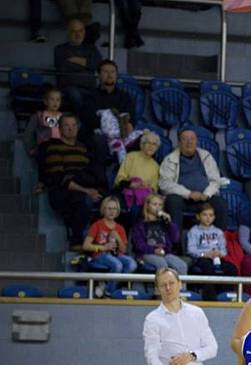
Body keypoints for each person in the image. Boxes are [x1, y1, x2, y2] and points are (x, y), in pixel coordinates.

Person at [38, 113, 104, 247]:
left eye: (74, 125)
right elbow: (59, 178)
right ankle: (77, 239)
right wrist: (87, 191)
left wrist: (94, 190)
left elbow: (91, 173)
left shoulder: (83, 148)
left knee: (111, 200)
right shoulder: (54, 147)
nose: (71, 128)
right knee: (85, 200)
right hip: (62, 191)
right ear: (60, 128)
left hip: (84, 187)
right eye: (66, 125)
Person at [159, 128, 228, 230]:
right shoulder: (169, 159)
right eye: (185, 139)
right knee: (172, 201)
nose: (189, 142)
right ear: (179, 142)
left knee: (221, 203)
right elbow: (165, 183)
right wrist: (188, 194)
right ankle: (176, 243)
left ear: (197, 141)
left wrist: (206, 194)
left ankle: (220, 240)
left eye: (192, 139)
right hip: (182, 198)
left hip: (205, 198)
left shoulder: (206, 156)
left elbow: (216, 180)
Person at [82, 196, 137, 296]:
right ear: (103, 209)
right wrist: (103, 247)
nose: (112, 211)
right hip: (100, 254)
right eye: (109, 208)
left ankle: (107, 285)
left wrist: (118, 237)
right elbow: (85, 246)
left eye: (115, 209)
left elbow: (123, 250)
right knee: (117, 265)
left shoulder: (120, 228)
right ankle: (110, 292)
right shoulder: (97, 225)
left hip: (116, 255)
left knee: (132, 264)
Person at [187, 202, 238, 299]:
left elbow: (224, 250)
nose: (208, 218)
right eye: (204, 215)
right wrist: (204, 254)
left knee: (231, 268)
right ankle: (209, 297)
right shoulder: (194, 231)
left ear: (214, 217)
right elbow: (191, 249)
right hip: (202, 258)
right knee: (208, 267)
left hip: (217, 258)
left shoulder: (218, 232)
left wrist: (219, 253)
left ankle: (225, 295)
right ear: (198, 216)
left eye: (211, 215)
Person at [131, 193, 188, 276]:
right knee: (162, 264)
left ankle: (181, 289)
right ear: (147, 206)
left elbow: (175, 239)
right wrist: (154, 250)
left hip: (164, 253)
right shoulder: (140, 225)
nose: (158, 207)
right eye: (154, 204)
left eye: (160, 205)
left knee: (182, 265)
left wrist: (169, 223)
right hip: (147, 253)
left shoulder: (164, 223)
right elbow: (139, 245)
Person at [53, 18, 102, 111]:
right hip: (69, 89)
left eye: (80, 30)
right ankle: (81, 120)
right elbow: (63, 68)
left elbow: (98, 65)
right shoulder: (60, 49)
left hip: (90, 89)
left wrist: (75, 60)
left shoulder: (91, 48)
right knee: (74, 94)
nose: (78, 34)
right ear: (68, 32)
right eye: (74, 31)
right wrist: (87, 64)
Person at [113, 130, 160, 220]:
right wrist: (131, 184)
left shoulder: (156, 166)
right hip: (127, 192)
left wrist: (146, 188)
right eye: (148, 143)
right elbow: (119, 179)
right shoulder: (131, 157)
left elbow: (154, 189)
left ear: (157, 148)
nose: (151, 146)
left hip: (144, 198)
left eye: (154, 144)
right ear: (142, 144)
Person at [24, 87, 62, 156]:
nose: (55, 102)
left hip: (60, 149)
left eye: (58, 100)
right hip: (44, 150)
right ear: (45, 101)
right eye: (52, 99)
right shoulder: (39, 116)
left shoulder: (63, 117)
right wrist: (31, 149)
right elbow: (28, 133)